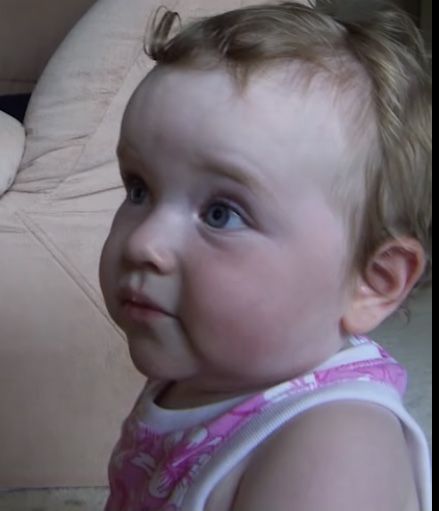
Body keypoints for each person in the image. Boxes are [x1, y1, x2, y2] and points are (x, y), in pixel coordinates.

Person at [99, 1, 432, 509]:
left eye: (221, 213)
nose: (144, 242)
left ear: (372, 280)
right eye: (139, 189)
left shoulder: (335, 450)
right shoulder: (219, 364)